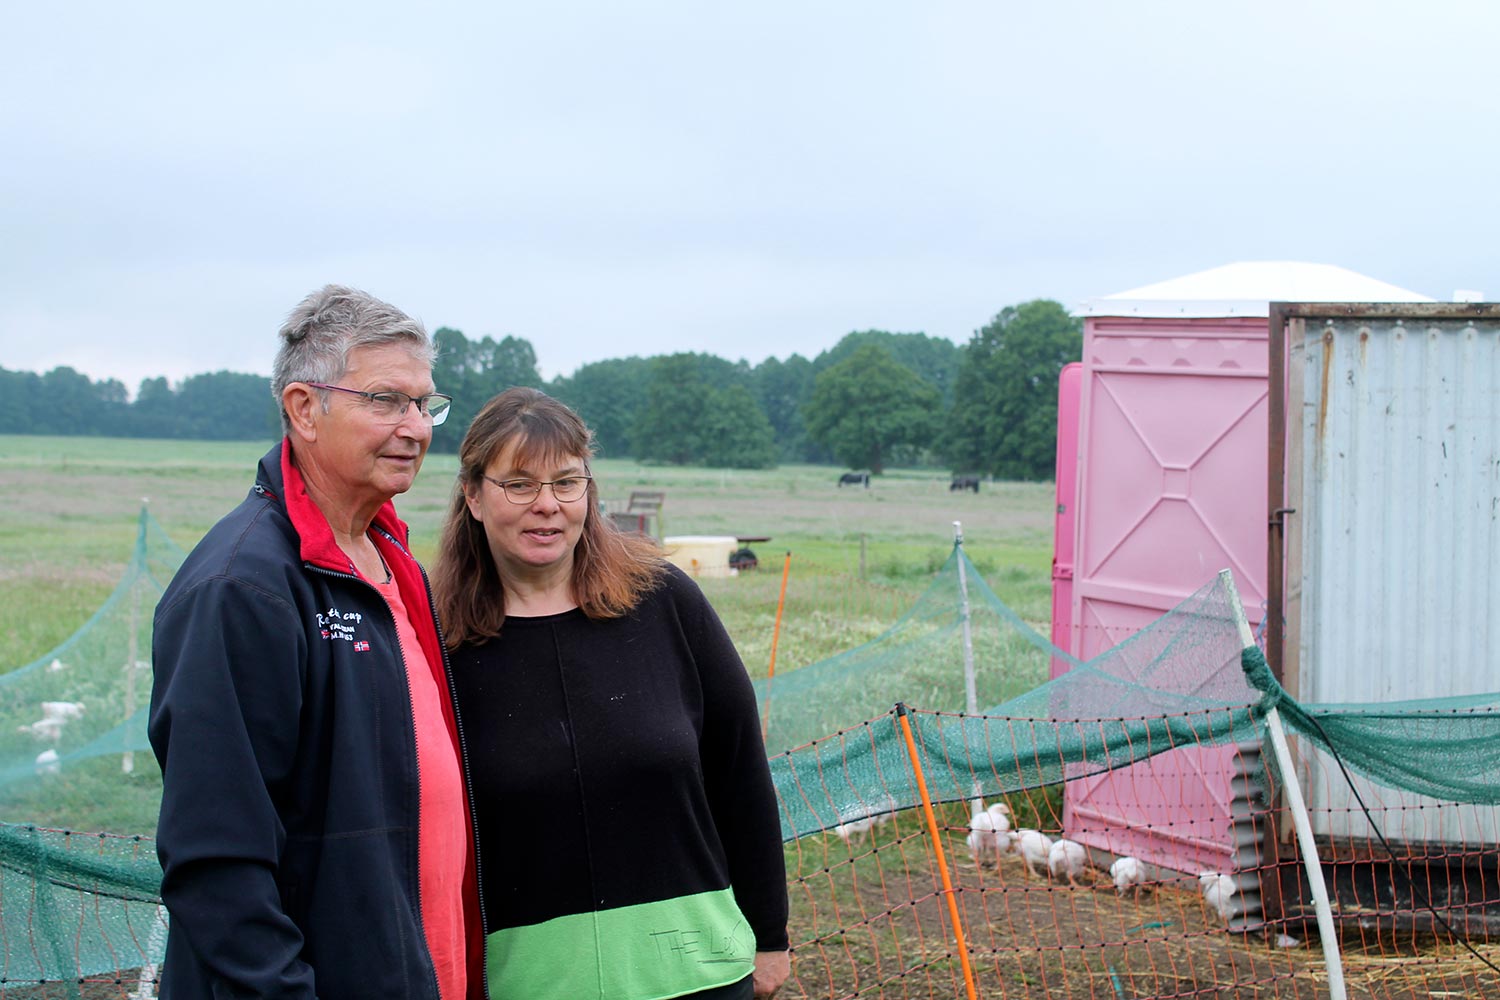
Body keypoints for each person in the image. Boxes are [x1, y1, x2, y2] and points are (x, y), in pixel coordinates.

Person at [148, 285, 481, 1000]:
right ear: (304, 408)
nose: (417, 428)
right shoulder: (244, 589)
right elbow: (216, 860)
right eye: (385, 401)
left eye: (426, 404)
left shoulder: (392, 561)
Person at [433, 387, 791, 1000]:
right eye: (519, 484)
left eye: (567, 482)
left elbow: (741, 775)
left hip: (698, 974)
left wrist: (770, 935)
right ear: (472, 494)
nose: (547, 505)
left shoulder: (667, 602)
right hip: (526, 983)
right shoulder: (436, 640)